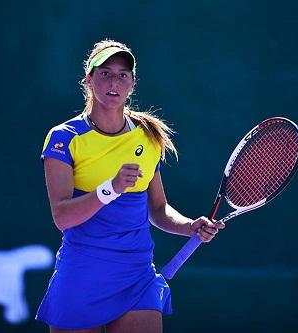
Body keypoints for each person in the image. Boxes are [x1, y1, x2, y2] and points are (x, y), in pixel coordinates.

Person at [35, 39, 225, 333]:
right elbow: (62, 217)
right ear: (89, 79)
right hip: (82, 275)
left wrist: (190, 226)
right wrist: (109, 189)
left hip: (136, 277)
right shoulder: (64, 138)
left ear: (132, 83)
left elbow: (158, 209)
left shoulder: (148, 138)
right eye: (106, 73)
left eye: (123, 75)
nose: (114, 82)